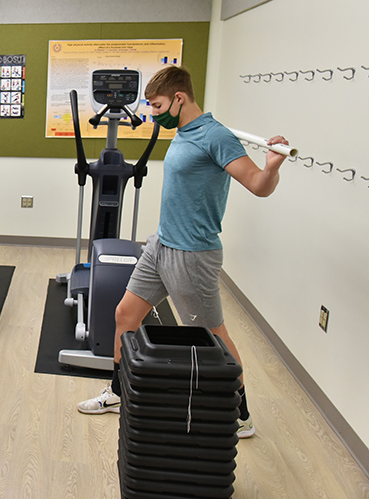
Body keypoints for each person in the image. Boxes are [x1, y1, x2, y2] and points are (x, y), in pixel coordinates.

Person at [76, 65, 289, 439]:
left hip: (192, 254)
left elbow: (258, 184)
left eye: (157, 106)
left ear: (179, 98)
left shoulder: (216, 136)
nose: (153, 113)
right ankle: (118, 391)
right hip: (161, 244)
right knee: (125, 314)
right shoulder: (185, 131)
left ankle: (241, 413)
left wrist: (271, 167)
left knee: (213, 336)